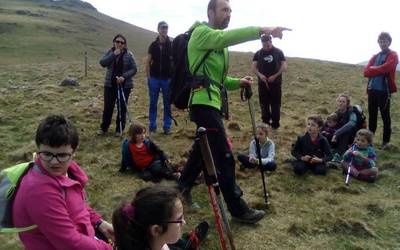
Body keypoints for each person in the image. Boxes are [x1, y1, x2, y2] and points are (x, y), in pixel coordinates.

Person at [177, 0, 290, 224]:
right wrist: (262, 30)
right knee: (225, 156)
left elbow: (218, 81)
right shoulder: (201, 33)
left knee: (203, 151)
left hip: (212, 104)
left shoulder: (219, 45)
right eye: (224, 10)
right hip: (202, 104)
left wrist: (239, 82)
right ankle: (238, 209)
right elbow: (223, 38)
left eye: (230, 10)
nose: (228, 14)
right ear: (211, 12)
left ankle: (181, 188)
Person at [13, 115, 113, 250]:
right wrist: (107, 248)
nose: (54, 162)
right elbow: (70, 243)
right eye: (47, 154)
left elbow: (78, 205)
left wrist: (98, 222)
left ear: (73, 153)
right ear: (38, 150)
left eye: (62, 155)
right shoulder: (39, 192)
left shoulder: (68, 172)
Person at [112, 186, 209, 250]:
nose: (184, 222)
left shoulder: (153, 242)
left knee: (178, 243)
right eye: (179, 220)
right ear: (156, 230)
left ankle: (189, 242)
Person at [363, 32, 399, 150]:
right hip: (372, 90)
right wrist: (378, 70)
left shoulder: (393, 55)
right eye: (381, 41)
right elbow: (366, 72)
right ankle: (369, 141)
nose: (382, 43)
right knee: (372, 116)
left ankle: (385, 142)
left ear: (389, 42)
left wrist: (374, 69)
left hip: (384, 91)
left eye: (385, 41)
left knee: (385, 117)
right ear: (378, 42)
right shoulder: (375, 56)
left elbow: (388, 67)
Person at [98, 34, 138, 137]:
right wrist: (113, 55)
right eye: (117, 41)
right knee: (108, 107)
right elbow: (102, 63)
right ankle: (104, 128)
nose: (119, 44)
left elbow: (134, 69)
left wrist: (124, 77)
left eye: (122, 42)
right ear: (114, 42)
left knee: (122, 108)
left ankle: (119, 129)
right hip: (110, 84)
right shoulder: (110, 52)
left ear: (124, 44)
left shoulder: (129, 54)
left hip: (125, 85)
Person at [251, 34, 287, 129]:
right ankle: (265, 123)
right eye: (263, 44)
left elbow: (284, 66)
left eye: (267, 43)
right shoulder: (258, 53)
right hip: (262, 84)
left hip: (276, 84)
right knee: (264, 104)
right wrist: (260, 75)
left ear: (271, 41)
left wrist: (275, 76)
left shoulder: (278, 52)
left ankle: (275, 124)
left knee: (275, 104)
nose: (265, 46)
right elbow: (254, 67)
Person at [145, 21, 173, 135]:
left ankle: (167, 127)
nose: (164, 30)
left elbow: (175, 61)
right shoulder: (153, 45)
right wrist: (149, 78)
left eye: (166, 28)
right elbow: (148, 62)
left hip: (167, 79)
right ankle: (152, 126)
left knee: (167, 103)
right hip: (154, 78)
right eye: (162, 28)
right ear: (158, 29)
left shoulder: (171, 45)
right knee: (153, 102)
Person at [330, 93, 358, 162]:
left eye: (343, 102)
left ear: (347, 103)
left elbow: (351, 124)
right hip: (337, 136)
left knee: (345, 132)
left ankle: (339, 155)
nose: (341, 103)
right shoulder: (336, 112)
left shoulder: (352, 112)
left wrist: (337, 133)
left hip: (351, 137)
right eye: (340, 101)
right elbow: (328, 123)